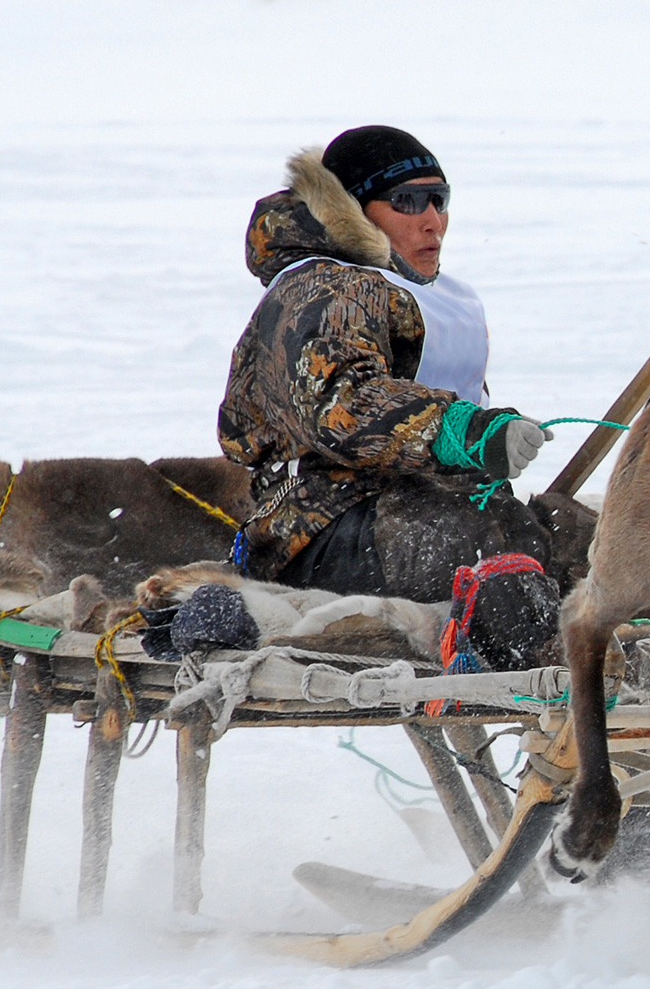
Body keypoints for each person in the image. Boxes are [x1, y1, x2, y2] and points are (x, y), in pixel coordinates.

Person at [217, 126, 559, 623]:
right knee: (472, 541)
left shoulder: (418, 292)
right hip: (316, 529)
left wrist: (489, 436)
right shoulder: (321, 289)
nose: (432, 222)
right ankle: (538, 658)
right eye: (407, 201)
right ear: (353, 210)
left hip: (421, 505)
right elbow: (341, 406)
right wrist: (463, 431)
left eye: (440, 200)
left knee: (570, 534)